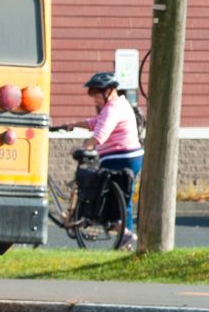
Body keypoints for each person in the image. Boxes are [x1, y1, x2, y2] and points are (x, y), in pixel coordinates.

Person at [55, 71, 143, 249]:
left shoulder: (112, 109)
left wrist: (83, 148)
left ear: (109, 91)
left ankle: (121, 233)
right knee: (123, 200)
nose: (94, 99)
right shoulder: (119, 104)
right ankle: (126, 240)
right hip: (129, 156)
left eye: (96, 94)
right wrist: (74, 124)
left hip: (118, 158)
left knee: (102, 196)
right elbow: (96, 122)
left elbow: (100, 135)